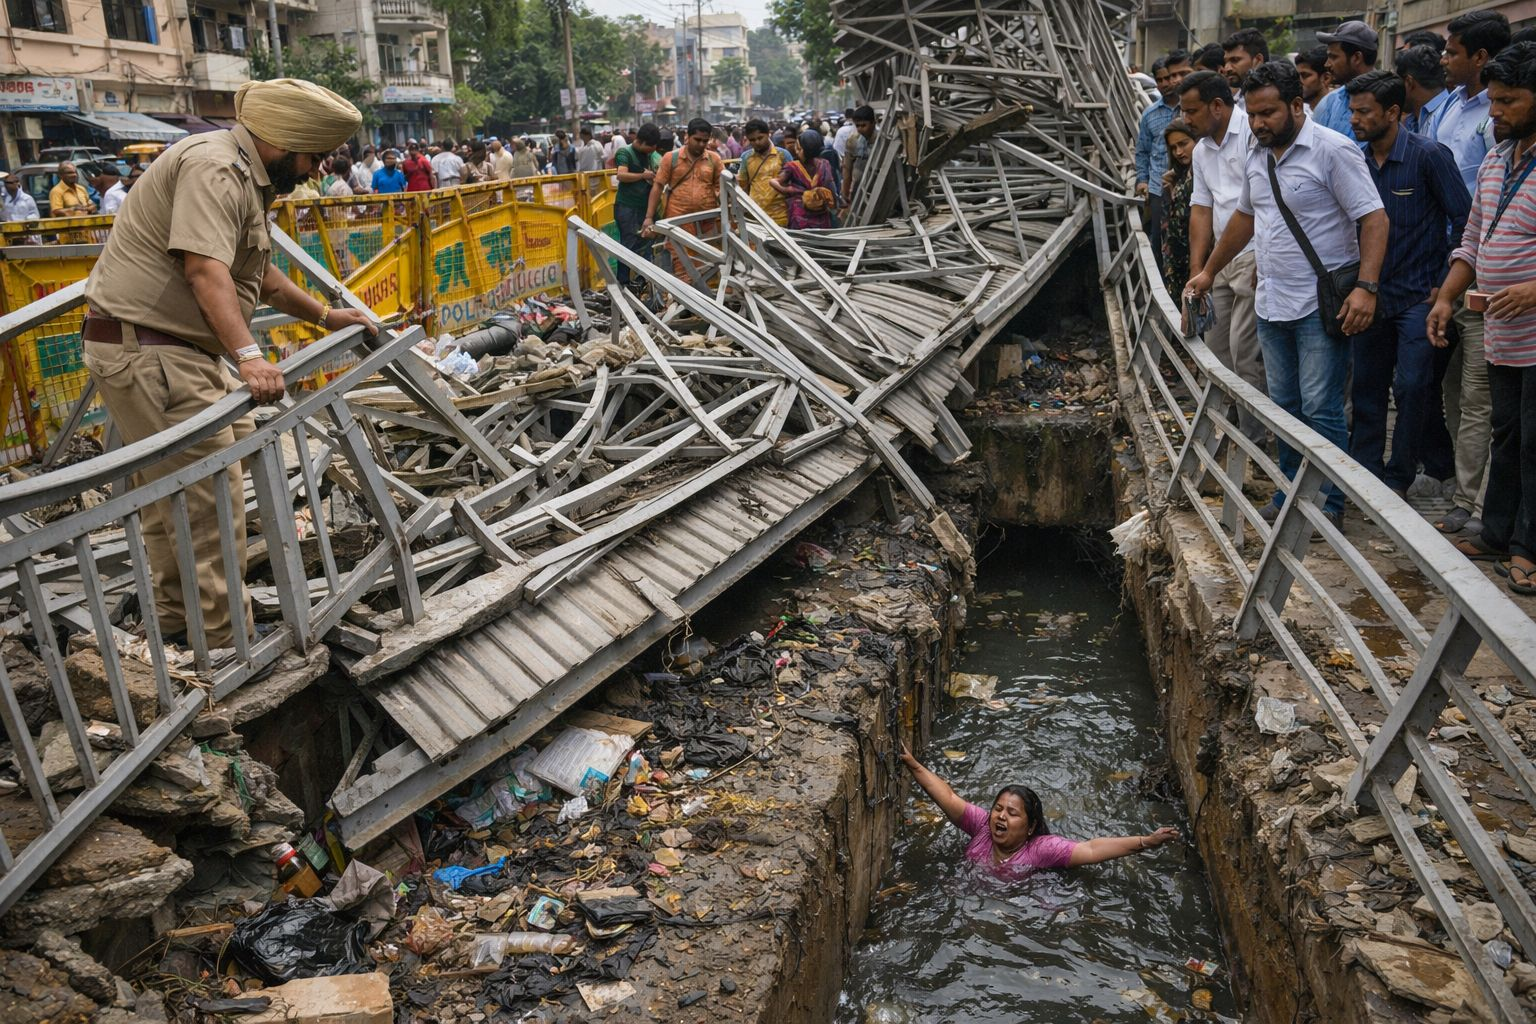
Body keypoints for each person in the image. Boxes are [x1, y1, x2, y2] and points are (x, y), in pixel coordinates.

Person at [81, 78, 372, 650]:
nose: (315, 170)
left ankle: (173, 621)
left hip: (175, 351)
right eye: (313, 156)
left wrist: (323, 315)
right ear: (284, 141)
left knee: (187, 487)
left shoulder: (247, 177)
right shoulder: (216, 169)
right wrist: (249, 357)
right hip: (152, 352)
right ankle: (221, 640)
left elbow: (257, 274)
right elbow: (205, 271)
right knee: (208, 495)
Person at [1186, 61, 1388, 531]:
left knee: (1321, 405)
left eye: (1269, 113)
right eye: (1253, 114)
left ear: (1297, 105)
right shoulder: (1259, 154)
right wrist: (1207, 272)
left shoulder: (1333, 152)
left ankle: (1329, 504)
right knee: (1284, 406)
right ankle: (1289, 492)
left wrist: (1366, 288)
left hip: (1320, 303)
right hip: (1272, 300)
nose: (1258, 124)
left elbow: (1374, 219)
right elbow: (1245, 218)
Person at [1429, 41, 1536, 593]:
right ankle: (1495, 532)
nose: (1494, 112)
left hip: (1534, 329)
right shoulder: (1497, 157)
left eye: (1509, 101)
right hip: (1501, 329)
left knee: (1534, 442)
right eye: (1493, 100)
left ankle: (1527, 548)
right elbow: (1473, 237)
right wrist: (1447, 296)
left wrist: (1533, 289)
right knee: (1507, 432)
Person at [1345, 70, 1469, 499]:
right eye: (1352, 111)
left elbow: (1464, 220)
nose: (1355, 119)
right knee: (1366, 388)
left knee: (1414, 386)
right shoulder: (1355, 161)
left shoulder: (1429, 156)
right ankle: (1363, 474)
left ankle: (1398, 478)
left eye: (1364, 111)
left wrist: (1443, 284)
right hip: (1370, 295)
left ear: (1394, 112)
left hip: (1421, 296)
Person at [1431, 10, 1511, 534]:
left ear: (1480, 58)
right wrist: (1446, 290)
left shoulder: (1497, 121)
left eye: (1452, 51)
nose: (1444, 59)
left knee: (1481, 396)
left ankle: (1475, 503)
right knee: (1454, 389)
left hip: (1497, 291)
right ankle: (1466, 491)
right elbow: (1475, 225)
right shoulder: (1446, 108)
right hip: (1453, 270)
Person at [899, 745, 1180, 877]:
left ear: (1031, 827)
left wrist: (1145, 842)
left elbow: (1093, 850)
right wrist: (912, 764)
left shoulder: (1041, 849)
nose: (1000, 816)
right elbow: (947, 797)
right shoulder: (981, 825)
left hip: (1023, 905)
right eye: (998, 809)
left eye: (1012, 813)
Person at [1181, 70, 1266, 425]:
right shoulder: (1202, 151)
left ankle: (1254, 437)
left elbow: (1258, 206)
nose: (1185, 120)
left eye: (1191, 111)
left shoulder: (1252, 134)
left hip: (1252, 253)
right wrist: (1197, 272)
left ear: (1217, 106)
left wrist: (1264, 258)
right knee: (1215, 350)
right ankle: (1225, 429)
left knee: (1244, 351)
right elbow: (1202, 209)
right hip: (1219, 259)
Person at [643, 117, 725, 279]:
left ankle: (707, 300)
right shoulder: (670, 158)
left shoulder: (714, 159)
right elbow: (658, 186)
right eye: (697, 140)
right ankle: (684, 300)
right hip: (679, 222)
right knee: (681, 263)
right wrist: (648, 218)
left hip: (707, 222)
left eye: (705, 141)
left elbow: (721, 187)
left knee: (709, 262)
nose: (701, 145)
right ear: (687, 136)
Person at [1136, 51, 1191, 269]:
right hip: (1160, 188)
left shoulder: (1190, 110)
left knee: (1185, 239)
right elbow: (1142, 151)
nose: (1166, 83)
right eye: (1160, 79)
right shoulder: (1150, 115)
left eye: (1169, 77)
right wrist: (1142, 180)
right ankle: (1161, 286)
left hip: (1188, 187)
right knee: (1159, 239)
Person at [614, 123, 661, 290]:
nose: (652, 151)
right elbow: (621, 175)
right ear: (641, 142)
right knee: (628, 243)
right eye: (650, 148)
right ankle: (623, 282)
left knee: (647, 243)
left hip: (645, 207)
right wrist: (642, 175)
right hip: (627, 207)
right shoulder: (624, 153)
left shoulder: (651, 155)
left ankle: (643, 280)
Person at [1315, 20, 1380, 138]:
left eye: (1333, 57)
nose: (1327, 64)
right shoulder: (1330, 103)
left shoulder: (1390, 101)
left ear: (1356, 58)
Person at [1160, 119, 1196, 298]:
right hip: (1178, 259)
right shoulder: (1180, 176)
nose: (1179, 152)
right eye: (1173, 148)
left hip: (1195, 258)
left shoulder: (1202, 174)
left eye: (1183, 144)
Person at [773, 129, 838, 229]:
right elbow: (831, 188)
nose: (796, 150)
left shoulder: (792, 166)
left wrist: (788, 191)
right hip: (819, 216)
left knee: (799, 243)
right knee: (820, 242)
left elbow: (773, 181)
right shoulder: (824, 164)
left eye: (799, 148)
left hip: (801, 217)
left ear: (804, 150)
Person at [739, 118, 791, 226]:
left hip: (780, 216)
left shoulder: (783, 155)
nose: (757, 142)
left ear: (768, 134)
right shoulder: (746, 157)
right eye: (752, 140)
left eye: (760, 138)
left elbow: (794, 182)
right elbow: (743, 186)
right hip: (756, 217)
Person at [1398, 43, 1451, 136]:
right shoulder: (1411, 121)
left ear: (1409, 82)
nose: (1396, 91)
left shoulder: (1448, 117)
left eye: (1398, 83)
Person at [841, 104, 876, 213]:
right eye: (858, 126)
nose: (860, 129)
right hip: (858, 187)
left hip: (877, 186)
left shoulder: (881, 141)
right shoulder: (853, 141)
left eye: (863, 125)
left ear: (873, 123)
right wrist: (845, 194)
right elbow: (847, 169)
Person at [1221, 28, 1268, 97]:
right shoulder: (1234, 100)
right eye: (1225, 62)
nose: (1227, 69)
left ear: (1258, 60)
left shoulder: (1274, 97)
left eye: (1235, 60)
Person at [1294, 46, 1334, 112]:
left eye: (1305, 75)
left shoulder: (1340, 111)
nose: (1298, 81)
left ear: (1326, 78)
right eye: (1297, 76)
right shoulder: (1297, 113)